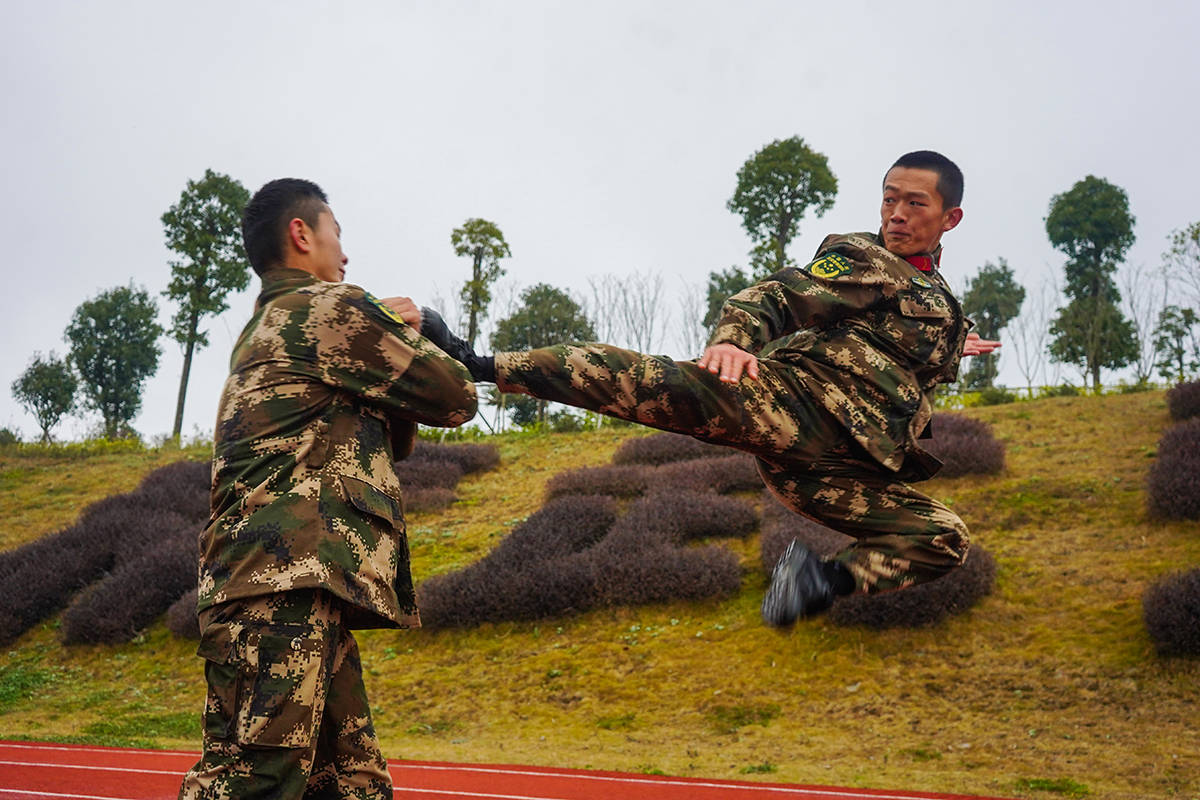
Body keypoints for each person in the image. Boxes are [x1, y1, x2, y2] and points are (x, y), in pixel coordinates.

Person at [422, 150, 999, 628]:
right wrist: (734, 339)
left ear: (951, 218)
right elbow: (775, 296)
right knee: (643, 380)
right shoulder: (864, 258)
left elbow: (909, 338)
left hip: (839, 468)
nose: (896, 213)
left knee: (942, 538)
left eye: (914, 203)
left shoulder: (937, 296)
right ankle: (476, 361)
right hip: (789, 407)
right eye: (888, 198)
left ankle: (817, 579)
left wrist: (954, 346)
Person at [178, 178, 477, 799]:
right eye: (337, 234)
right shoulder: (331, 309)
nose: (345, 255)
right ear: (301, 234)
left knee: (352, 784)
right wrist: (422, 332)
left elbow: (381, 443)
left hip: (289, 587)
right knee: (254, 783)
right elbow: (455, 396)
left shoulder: (267, 327)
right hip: (280, 587)